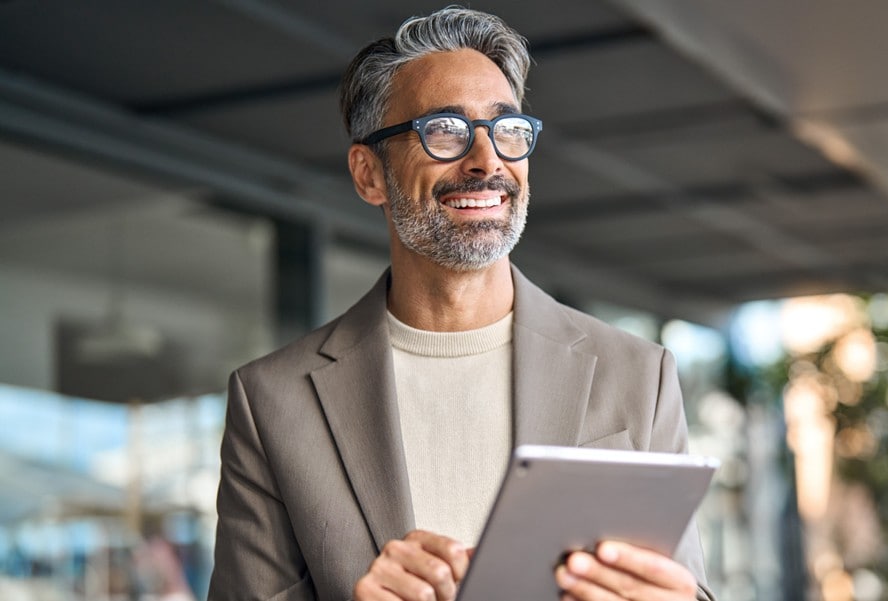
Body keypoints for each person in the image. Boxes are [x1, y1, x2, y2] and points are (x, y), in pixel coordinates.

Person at [208, 6, 712, 601]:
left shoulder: (640, 376)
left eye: (508, 131)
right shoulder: (273, 402)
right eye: (445, 129)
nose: (487, 162)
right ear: (369, 174)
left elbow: (684, 588)